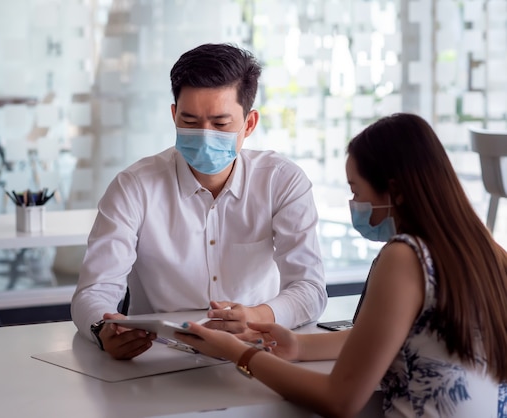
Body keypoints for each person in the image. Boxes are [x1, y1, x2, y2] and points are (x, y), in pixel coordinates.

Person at [176, 113, 507, 417]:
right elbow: (394, 336)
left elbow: (340, 399)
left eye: (356, 190)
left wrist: (237, 353)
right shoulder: (488, 252)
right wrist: (299, 345)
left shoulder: (405, 257)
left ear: (394, 190)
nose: (354, 204)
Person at [71, 43, 327, 360]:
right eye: (190, 122)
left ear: (249, 124)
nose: (204, 135)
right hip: (157, 357)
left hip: (258, 352)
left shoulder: (282, 180)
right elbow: (94, 291)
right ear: (174, 114)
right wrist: (102, 329)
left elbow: (310, 290)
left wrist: (258, 315)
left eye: (220, 124)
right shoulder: (134, 187)